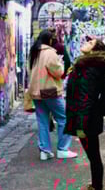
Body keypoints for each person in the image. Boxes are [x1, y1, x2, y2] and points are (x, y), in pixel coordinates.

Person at [66, 37, 105, 190]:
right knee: (93, 156)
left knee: (94, 156)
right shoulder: (88, 65)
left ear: (95, 50)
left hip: (88, 119)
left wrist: (81, 124)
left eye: (90, 42)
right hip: (89, 118)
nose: (86, 43)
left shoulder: (89, 68)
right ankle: (94, 189)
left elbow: (87, 98)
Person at [28, 29, 77, 161]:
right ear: (49, 40)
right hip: (49, 90)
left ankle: (45, 151)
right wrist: (61, 64)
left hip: (35, 91)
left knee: (42, 121)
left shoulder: (34, 51)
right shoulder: (49, 53)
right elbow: (58, 72)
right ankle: (63, 149)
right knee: (64, 118)